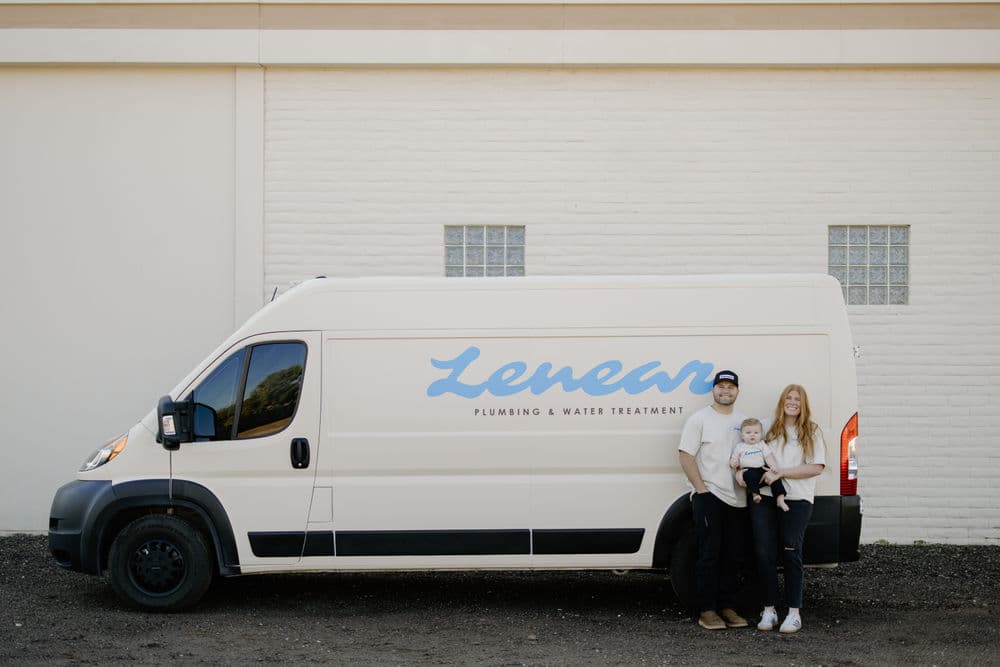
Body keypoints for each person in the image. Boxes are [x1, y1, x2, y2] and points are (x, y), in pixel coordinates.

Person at [749, 384, 827, 634]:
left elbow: (816, 467)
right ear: (782, 401)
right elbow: (749, 449)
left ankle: (794, 613)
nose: (792, 402)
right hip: (765, 497)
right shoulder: (768, 427)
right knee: (764, 553)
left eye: (797, 399)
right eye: (788, 398)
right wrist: (742, 472)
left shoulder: (811, 431)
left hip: (798, 499)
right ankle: (769, 609)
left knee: (792, 551)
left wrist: (781, 472)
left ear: (804, 405)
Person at [677, 369, 750, 631]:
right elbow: (686, 455)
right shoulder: (700, 419)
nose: (725, 391)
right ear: (714, 390)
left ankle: (727, 606)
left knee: (733, 556)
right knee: (709, 554)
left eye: (731, 387)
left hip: (738, 499)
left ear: (737, 391)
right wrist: (702, 490)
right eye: (721, 387)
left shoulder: (743, 422)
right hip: (710, 496)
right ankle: (707, 610)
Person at [730, 418, 790, 512]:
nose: (752, 435)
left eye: (756, 432)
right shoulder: (740, 446)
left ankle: (780, 498)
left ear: (761, 434)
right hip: (748, 470)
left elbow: (768, 456)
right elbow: (734, 458)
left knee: (775, 477)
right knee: (748, 475)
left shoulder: (761, 445)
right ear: (742, 435)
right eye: (748, 432)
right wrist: (734, 463)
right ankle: (755, 494)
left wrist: (773, 466)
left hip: (761, 469)